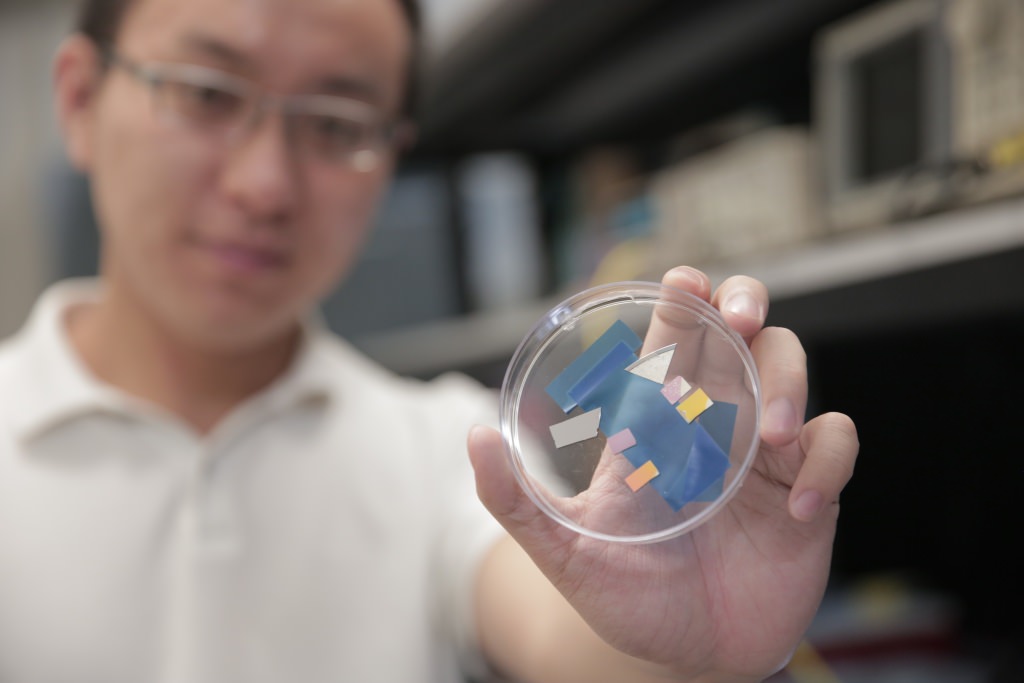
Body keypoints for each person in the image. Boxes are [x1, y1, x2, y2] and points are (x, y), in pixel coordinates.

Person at [0, 0, 859, 680]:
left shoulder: (456, 447)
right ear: (79, 99)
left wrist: (688, 652)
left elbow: (573, 629)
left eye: (337, 124)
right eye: (207, 93)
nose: (265, 183)